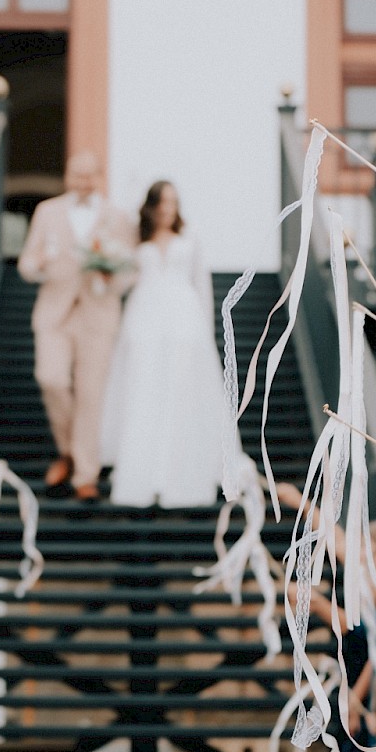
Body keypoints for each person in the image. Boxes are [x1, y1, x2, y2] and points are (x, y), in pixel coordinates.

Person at [17, 152, 136, 501]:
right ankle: (68, 449)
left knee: (90, 393)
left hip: (98, 313)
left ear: (98, 177)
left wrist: (109, 277)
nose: (82, 182)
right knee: (50, 377)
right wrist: (35, 264)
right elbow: (26, 262)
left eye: (88, 176)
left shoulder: (117, 217)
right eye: (76, 175)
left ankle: (85, 473)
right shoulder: (47, 211)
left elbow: (130, 270)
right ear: (68, 175)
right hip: (54, 311)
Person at [100, 180, 221, 508]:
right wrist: (107, 273)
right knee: (144, 387)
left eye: (173, 202)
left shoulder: (190, 234)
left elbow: (201, 282)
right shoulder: (137, 238)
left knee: (181, 389)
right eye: (162, 202)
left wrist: (204, 328)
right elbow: (127, 279)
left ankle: (183, 469)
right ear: (151, 206)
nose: (168, 209)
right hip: (145, 314)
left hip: (184, 315)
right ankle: (143, 470)